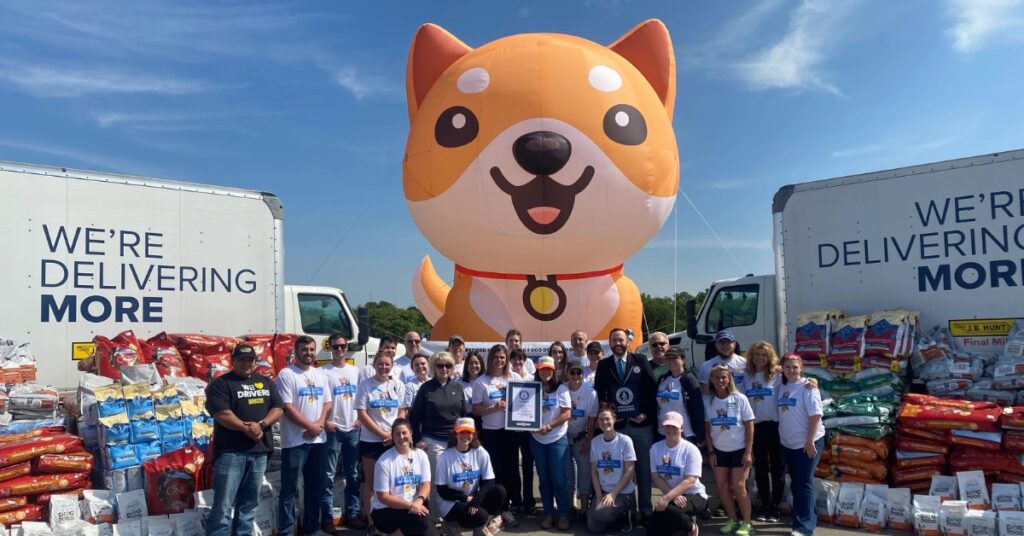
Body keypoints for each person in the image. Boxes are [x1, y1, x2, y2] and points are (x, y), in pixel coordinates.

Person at [205, 343, 283, 536]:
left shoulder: (265, 383)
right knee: (223, 505)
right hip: (231, 453)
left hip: (259, 452)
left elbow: (278, 408)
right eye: (241, 360)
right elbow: (222, 414)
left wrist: (262, 425)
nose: (246, 363)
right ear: (233, 362)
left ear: (255, 362)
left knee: (249, 504)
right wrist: (245, 427)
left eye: (250, 360)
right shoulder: (220, 384)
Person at [594, 327, 657, 521]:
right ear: (610, 343)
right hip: (618, 427)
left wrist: (645, 414)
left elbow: (651, 390)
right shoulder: (604, 365)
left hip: (640, 426)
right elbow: (601, 395)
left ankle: (645, 510)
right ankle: (626, 510)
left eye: (621, 340)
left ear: (627, 341)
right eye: (614, 340)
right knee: (619, 471)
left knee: (643, 471)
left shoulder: (640, 360)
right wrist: (612, 416)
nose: (618, 343)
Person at [276, 336, 333, 536]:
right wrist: (309, 426)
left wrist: (318, 426)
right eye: (304, 349)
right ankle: (286, 531)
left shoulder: (320, 374)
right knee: (289, 490)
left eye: (311, 349)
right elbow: (287, 407)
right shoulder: (287, 374)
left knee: (314, 486)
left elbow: (327, 403)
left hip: (318, 440)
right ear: (296, 351)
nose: (308, 353)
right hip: (295, 442)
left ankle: (311, 528)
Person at [409, 351, 468, 519]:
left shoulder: (457, 387)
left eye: (448, 365)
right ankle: (436, 518)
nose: (444, 369)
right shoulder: (426, 388)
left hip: (455, 442)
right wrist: (418, 439)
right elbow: (415, 417)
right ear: (434, 367)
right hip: (433, 441)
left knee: (455, 480)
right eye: (440, 365)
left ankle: (454, 515)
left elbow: (463, 415)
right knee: (436, 482)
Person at [355, 352, 406, 533]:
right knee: (371, 482)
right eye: (380, 364)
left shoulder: (398, 385)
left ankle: (391, 519)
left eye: (387, 364)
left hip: (394, 440)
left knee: (391, 482)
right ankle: (371, 522)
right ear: (374, 365)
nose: (384, 367)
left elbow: (401, 412)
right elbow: (362, 414)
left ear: (391, 366)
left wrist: (393, 435)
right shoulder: (365, 385)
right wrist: (383, 434)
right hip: (371, 440)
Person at [472, 344, 522, 527]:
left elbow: (526, 400)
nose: (499, 360)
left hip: (511, 432)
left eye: (502, 357)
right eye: (496, 357)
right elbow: (475, 409)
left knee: (511, 470)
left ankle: (508, 509)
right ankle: (497, 510)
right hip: (491, 432)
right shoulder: (481, 381)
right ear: (490, 359)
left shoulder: (514, 377)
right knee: (496, 471)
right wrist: (493, 408)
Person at [321, 333, 367, 530]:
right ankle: (328, 518)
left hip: (353, 429)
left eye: (341, 346)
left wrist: (359, 419)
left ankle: (353, 514)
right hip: (333, 428)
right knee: (328, 475)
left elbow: (361, 398)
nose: (339, 350)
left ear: (346, 348)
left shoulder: (355, 371)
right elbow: (322, 402)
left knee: (353, 475)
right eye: (335, 347)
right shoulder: (323, 372)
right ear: (330, 348)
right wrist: (326, 423)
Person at [777, 353, 825, 536]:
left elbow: (815, 416)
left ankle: (803, 527)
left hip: (807, 443)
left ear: (801, 368)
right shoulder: (782, 385)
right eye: (788, 367)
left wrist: (810, 441)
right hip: (788, 443)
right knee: (796, 483)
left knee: (803, 483)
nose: (791, 370)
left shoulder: (808, 387)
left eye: (795, 367)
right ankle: (807, 517)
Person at [704, 365, 755, 536]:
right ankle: (732, 520)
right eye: (716, 377)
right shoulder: (709, 401)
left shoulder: (740, 398)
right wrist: (711, 452)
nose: (720, 380)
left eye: (723, 377)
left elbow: (749, 425)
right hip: (719, 452)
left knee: (740, 487)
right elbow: (708, 429)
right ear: (711, 379)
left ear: (729, 379)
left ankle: (747, 523)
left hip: (739, 450)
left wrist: (748, 451)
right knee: (722, 487)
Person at [436, 417, 507, 536]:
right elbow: (442, 491)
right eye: (461, 432)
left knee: (499, 491)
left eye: (468, 432)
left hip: (471, 498)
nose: (465, 435)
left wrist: (476, 501)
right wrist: (466, 498)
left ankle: (480, 530)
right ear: (455, 434)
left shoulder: (480, 452)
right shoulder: (445, 457)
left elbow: (489, 480)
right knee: (480, 516)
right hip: (451, 503)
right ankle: (450, 524)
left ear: (474, 434)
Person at [370, 418, 438, 536]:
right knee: (421, 522)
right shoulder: (384, 461)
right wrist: (411, 505)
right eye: (397, 434)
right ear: (393, 437)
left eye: (404, 433)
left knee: (426, 527)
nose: (401, 437)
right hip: (385, 511)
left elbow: (426, 484)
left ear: (411, 433)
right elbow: (383, 497)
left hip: (413, 506)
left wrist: (419, 500)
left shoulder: (420, 455)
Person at [742, 341, 784, 523]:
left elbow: (796, 380)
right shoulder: (746, 377)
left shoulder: (777, 375)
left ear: (769, 357)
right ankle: (764, 504)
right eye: (757, 354)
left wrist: (811, 381)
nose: (760, 358)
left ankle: (775, 507)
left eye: (764, 355)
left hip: (775, 427)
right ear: (752, 357)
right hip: (756, 427)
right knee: (760, 469)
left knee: (777, 468)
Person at [648, 411, 708, 536]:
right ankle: (683, 525)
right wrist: (673, 496)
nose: (670, 429)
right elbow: (656, 477)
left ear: (681, 428)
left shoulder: (691, 450)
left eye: (674, 426)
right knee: (653, 527)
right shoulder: (655, 448)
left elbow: (690, 480)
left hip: (694, 494)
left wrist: (667, 498)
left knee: (670, 511)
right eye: (667, 426)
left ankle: (691, 526)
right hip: (672, 494)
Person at [531, 356, 573, 530]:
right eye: (542, 369)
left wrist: (549, 426)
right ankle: (548, 513)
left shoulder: (561, 388)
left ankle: (563, 514)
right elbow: (521, 411)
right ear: (538, 370)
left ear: (553, 370)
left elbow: (566, 413)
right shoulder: (531, 387)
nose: (545, 372)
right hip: (536, 439)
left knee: (559, 479)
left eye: (549, 369)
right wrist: (527, 426)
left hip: (556, 438)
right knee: (544, 479)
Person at [587, 404, 636, 534]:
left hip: (622, 492)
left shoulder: (625, 441)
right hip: (604, 492)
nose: (605, 422)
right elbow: (594, 472)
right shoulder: (595, 442)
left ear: (614, 419)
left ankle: (628, 513)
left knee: (599, 515)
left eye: (607, 419)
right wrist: (598, 496)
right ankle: (615, 521)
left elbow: (630, 471)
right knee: (593, 526)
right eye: (601, 420)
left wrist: (613, 494)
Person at [564, 359, 597, 516]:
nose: (576, 375)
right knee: (568, 473)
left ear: (583, 374)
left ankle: (584, 509)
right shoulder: (561, 389)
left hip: (580, 437)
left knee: (584, 473)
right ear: (567, 373)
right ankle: (571, 506)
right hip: (563, 437)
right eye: (572, 372)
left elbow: (591, 420)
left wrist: (588, 440)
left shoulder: (590, 393)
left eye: (579, 372)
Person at [507, 348, 537, 517]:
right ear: (511, 361)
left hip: (528, 430)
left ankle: (529, 501)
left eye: (521, 359)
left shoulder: (532, 378)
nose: (518, 362)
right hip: (511, 429)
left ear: (525, 360)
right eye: (515, 359)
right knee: (512, 466)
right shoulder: (507, 377)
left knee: (527, 466)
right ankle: (516, 501)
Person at [655, 346, 704, 446]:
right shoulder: (662, 379)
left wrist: (700, 434)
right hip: (663, 431)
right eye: (668, 358)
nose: (670, 361)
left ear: (683, 359)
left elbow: (698, 408)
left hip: (684, 432)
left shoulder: (689, 379)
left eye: (674, 358)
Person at [402, 351, 432, 417]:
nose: (420, 366)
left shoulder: (436, 383)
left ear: (429, 365)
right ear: (412, 369)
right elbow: (407, 410)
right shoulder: (409, 386)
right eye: (416, 365)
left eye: (423, 363)